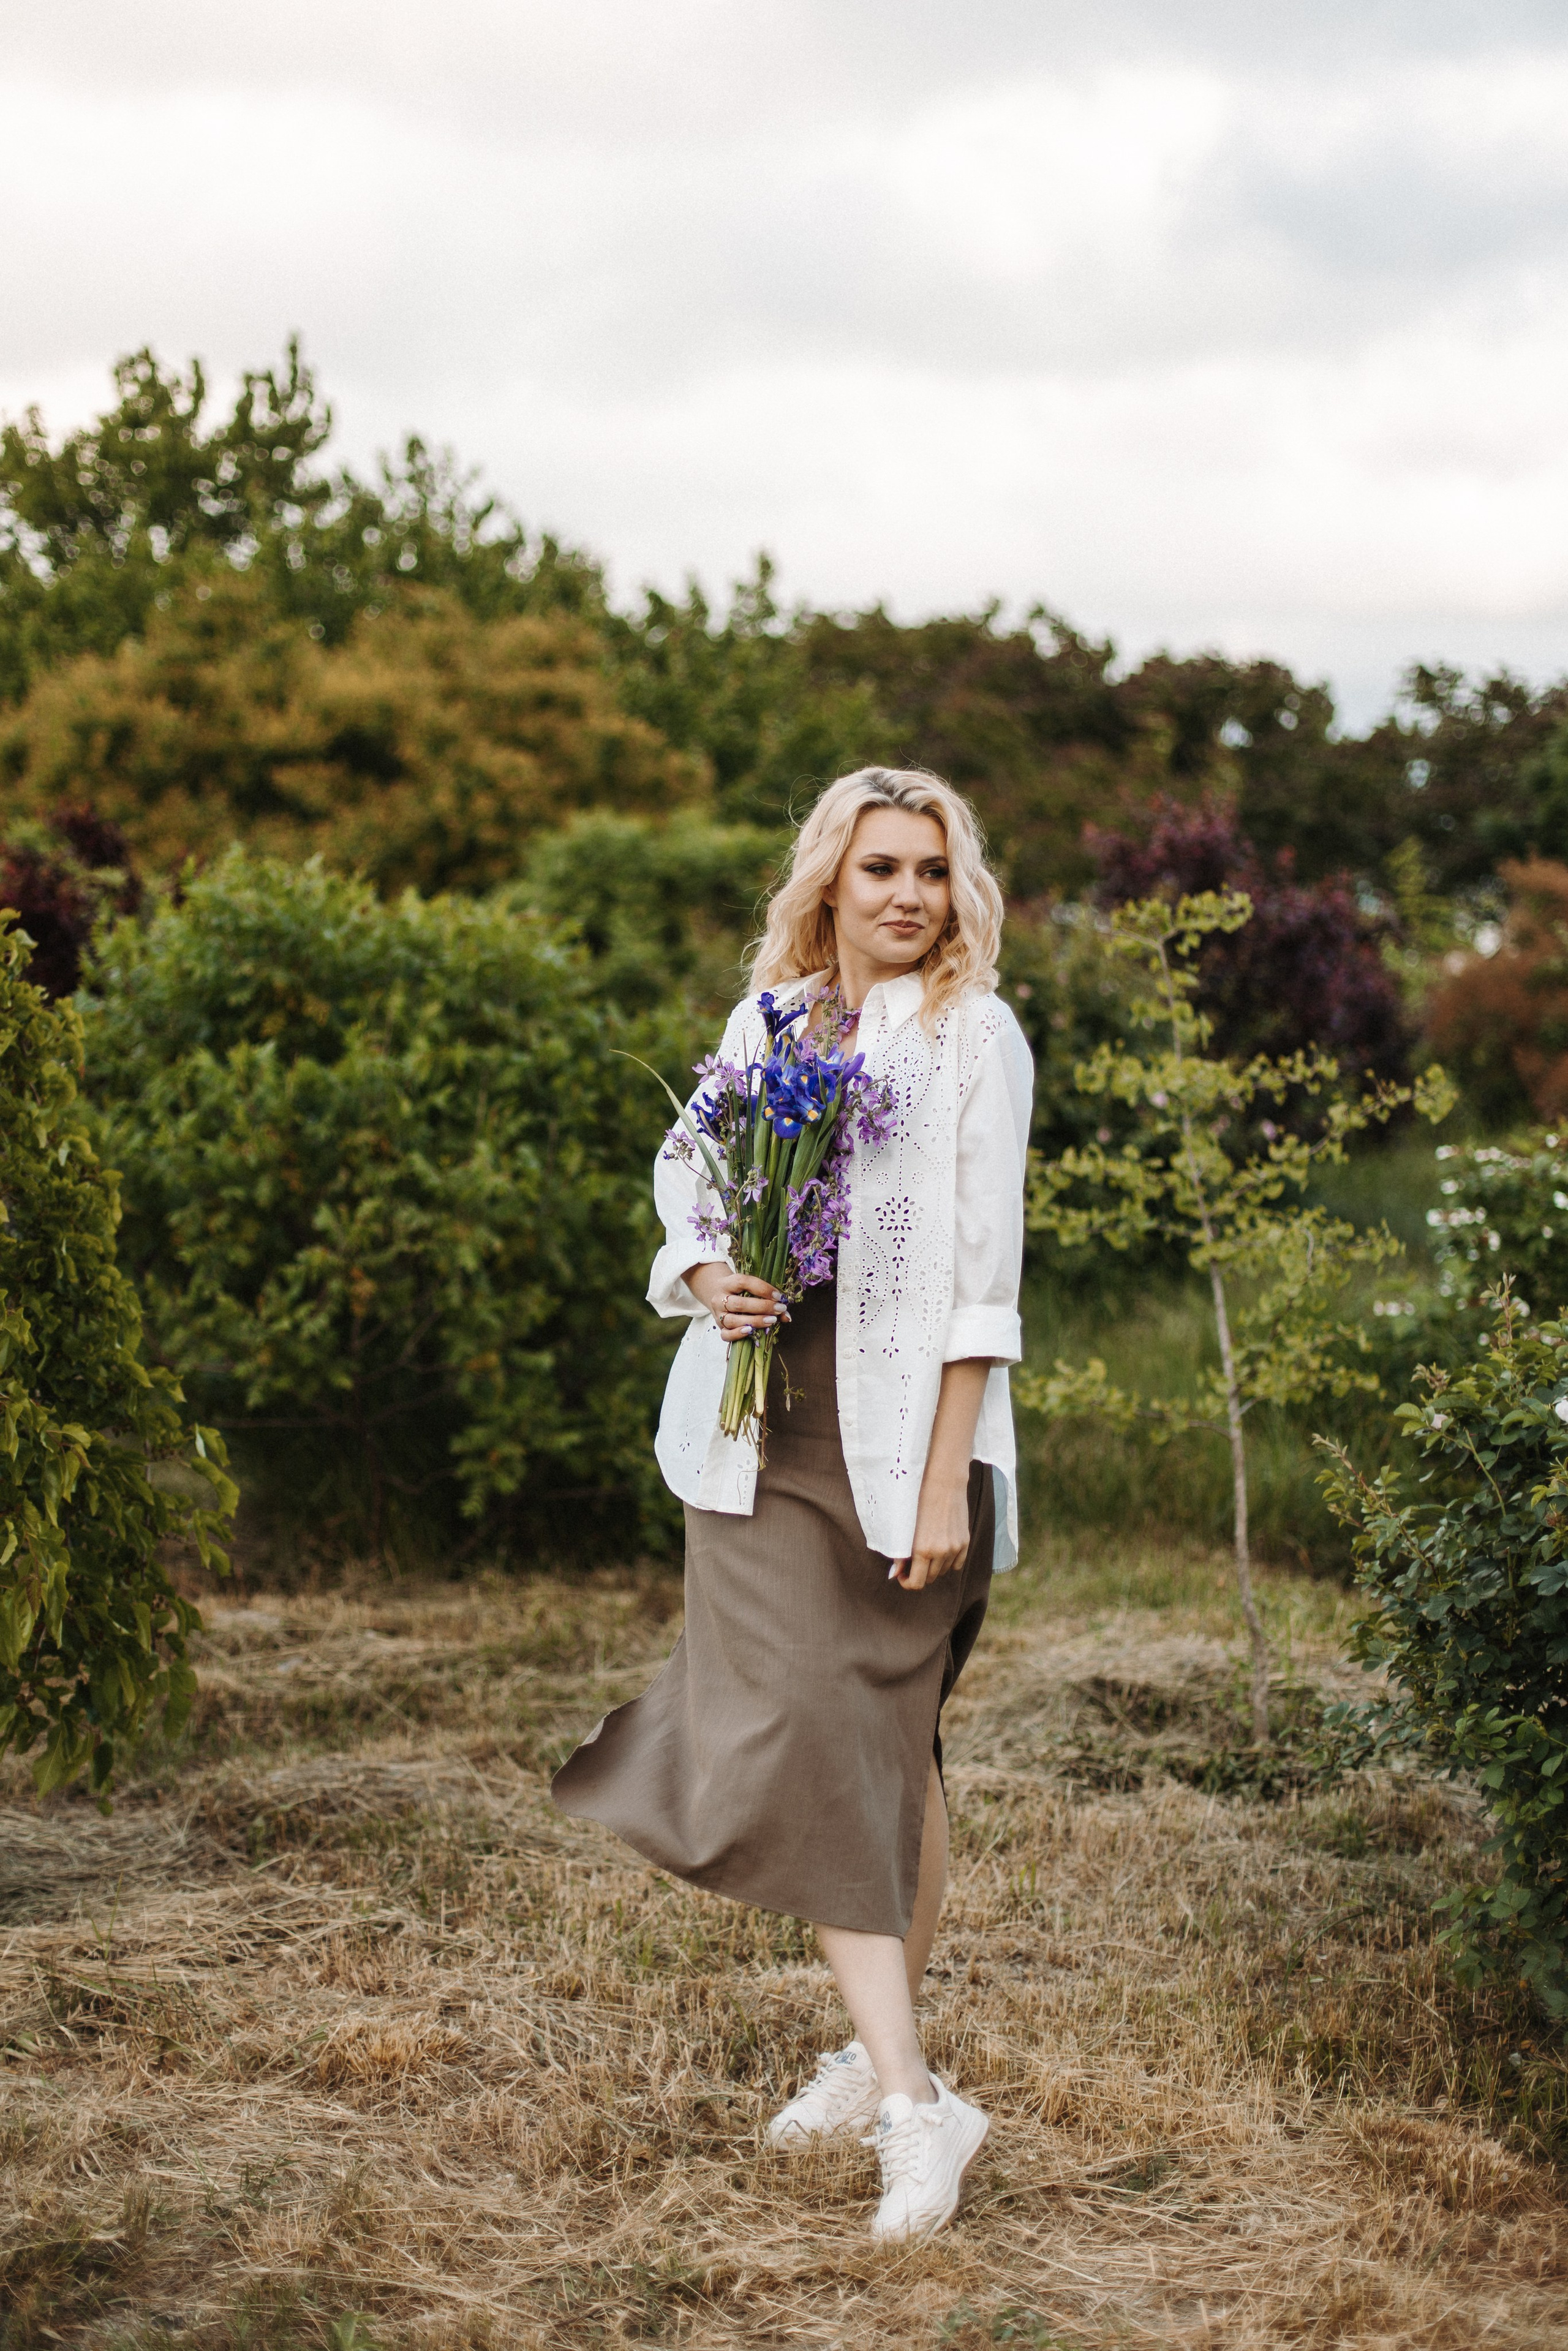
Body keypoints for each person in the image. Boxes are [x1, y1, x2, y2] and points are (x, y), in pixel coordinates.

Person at [552, 766, 1033, 2241]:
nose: (907, 894)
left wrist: (948, 1469)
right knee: (821, 1730)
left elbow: (978, 1281)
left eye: (931, 871)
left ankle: (886, 2077)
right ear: (827, 877)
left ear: (958, 891)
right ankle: (908, 2092)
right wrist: (704, 1272)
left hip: (901, 1443)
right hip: (756, 1429)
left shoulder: (974, 1039)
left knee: (888, 1744)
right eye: (880, 866)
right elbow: (686, 1171)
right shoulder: (768, 1020)